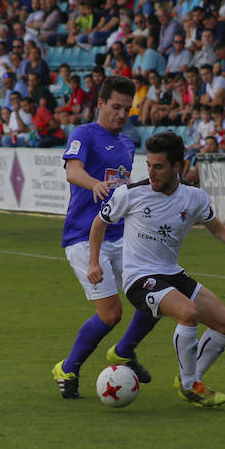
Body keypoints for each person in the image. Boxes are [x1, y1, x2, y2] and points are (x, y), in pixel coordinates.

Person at [87, 131, 225, 407]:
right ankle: (190, 384)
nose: (152, 173)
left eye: (158, 167)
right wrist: (94, 262)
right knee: (189, 314)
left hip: (171, 273)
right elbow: (99, 223)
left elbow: (218, 229)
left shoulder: (194, 197)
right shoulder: (131, 194)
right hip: (140, 278)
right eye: (148, 165)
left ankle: (190, 379)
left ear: (177, 166)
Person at [52, 76, 159, 400]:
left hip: (120, 235)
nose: (122, 114)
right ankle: (68, 367)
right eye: (116, 107)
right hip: (84, 237)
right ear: (99, 104)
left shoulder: (127, 143)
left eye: (127, 109)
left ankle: (124, 351)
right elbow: (72, 170)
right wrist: (93, 183)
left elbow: (122, 188)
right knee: (111, 314)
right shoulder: (83, 134)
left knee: (157, 296)